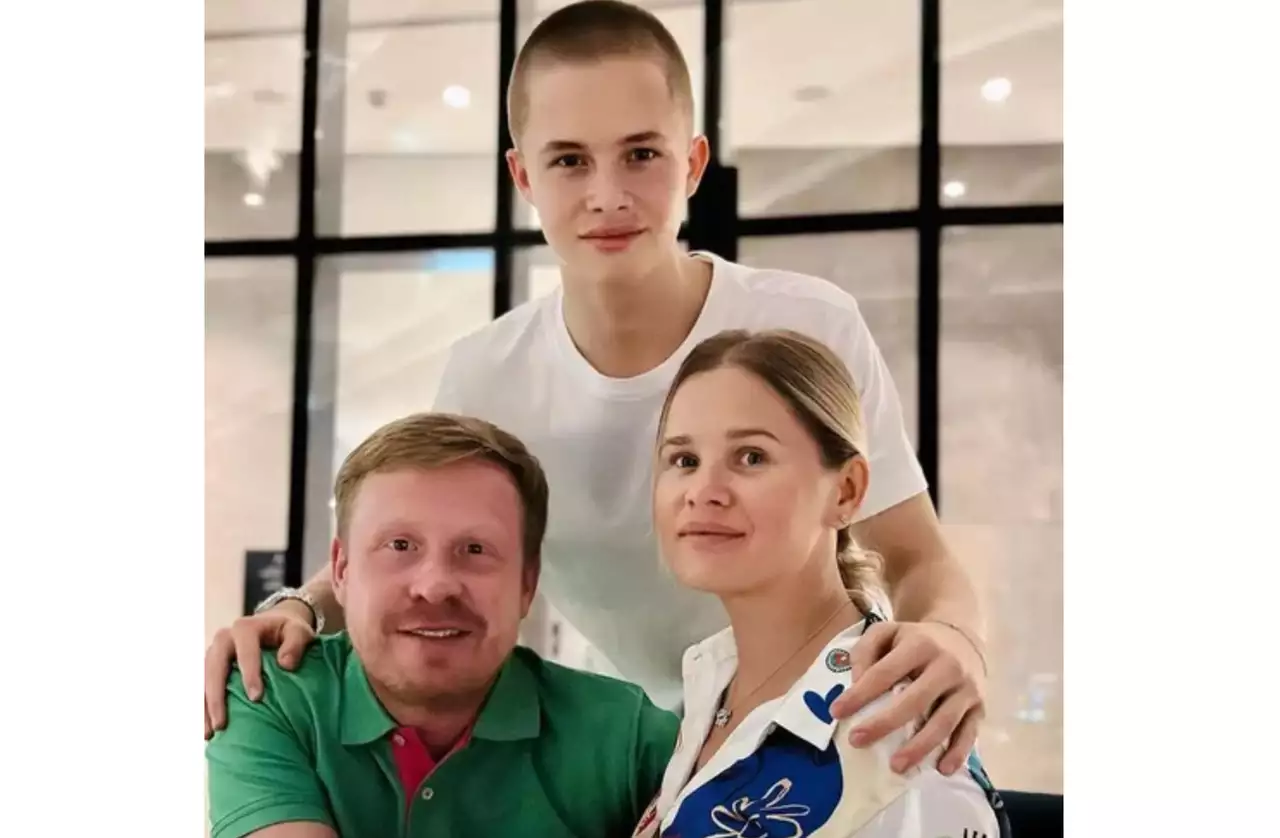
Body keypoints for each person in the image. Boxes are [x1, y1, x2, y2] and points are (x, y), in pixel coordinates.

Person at [206, 0, 988, 776]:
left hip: (835, 729)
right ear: (523, 175)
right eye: (570, 160)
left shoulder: (809, 322)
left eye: (641, 154)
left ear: (693, 164)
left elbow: (916, 557)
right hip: (648, 754)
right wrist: (295, 609)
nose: (608, 194)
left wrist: (954, 641)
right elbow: (421, 553)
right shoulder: (487, 374)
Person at [205, 413, 678, 838]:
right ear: (342, 570)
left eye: (475, 550)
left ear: (526, 584)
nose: (435, 587)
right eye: (400, 545)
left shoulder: (629, 739)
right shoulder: (270, 695)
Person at [634, 328, 1006, 838]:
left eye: (751, 457)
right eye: (685, 460)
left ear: (846, 491)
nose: (703, 491)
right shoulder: (712, 684)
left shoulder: (893, 730)